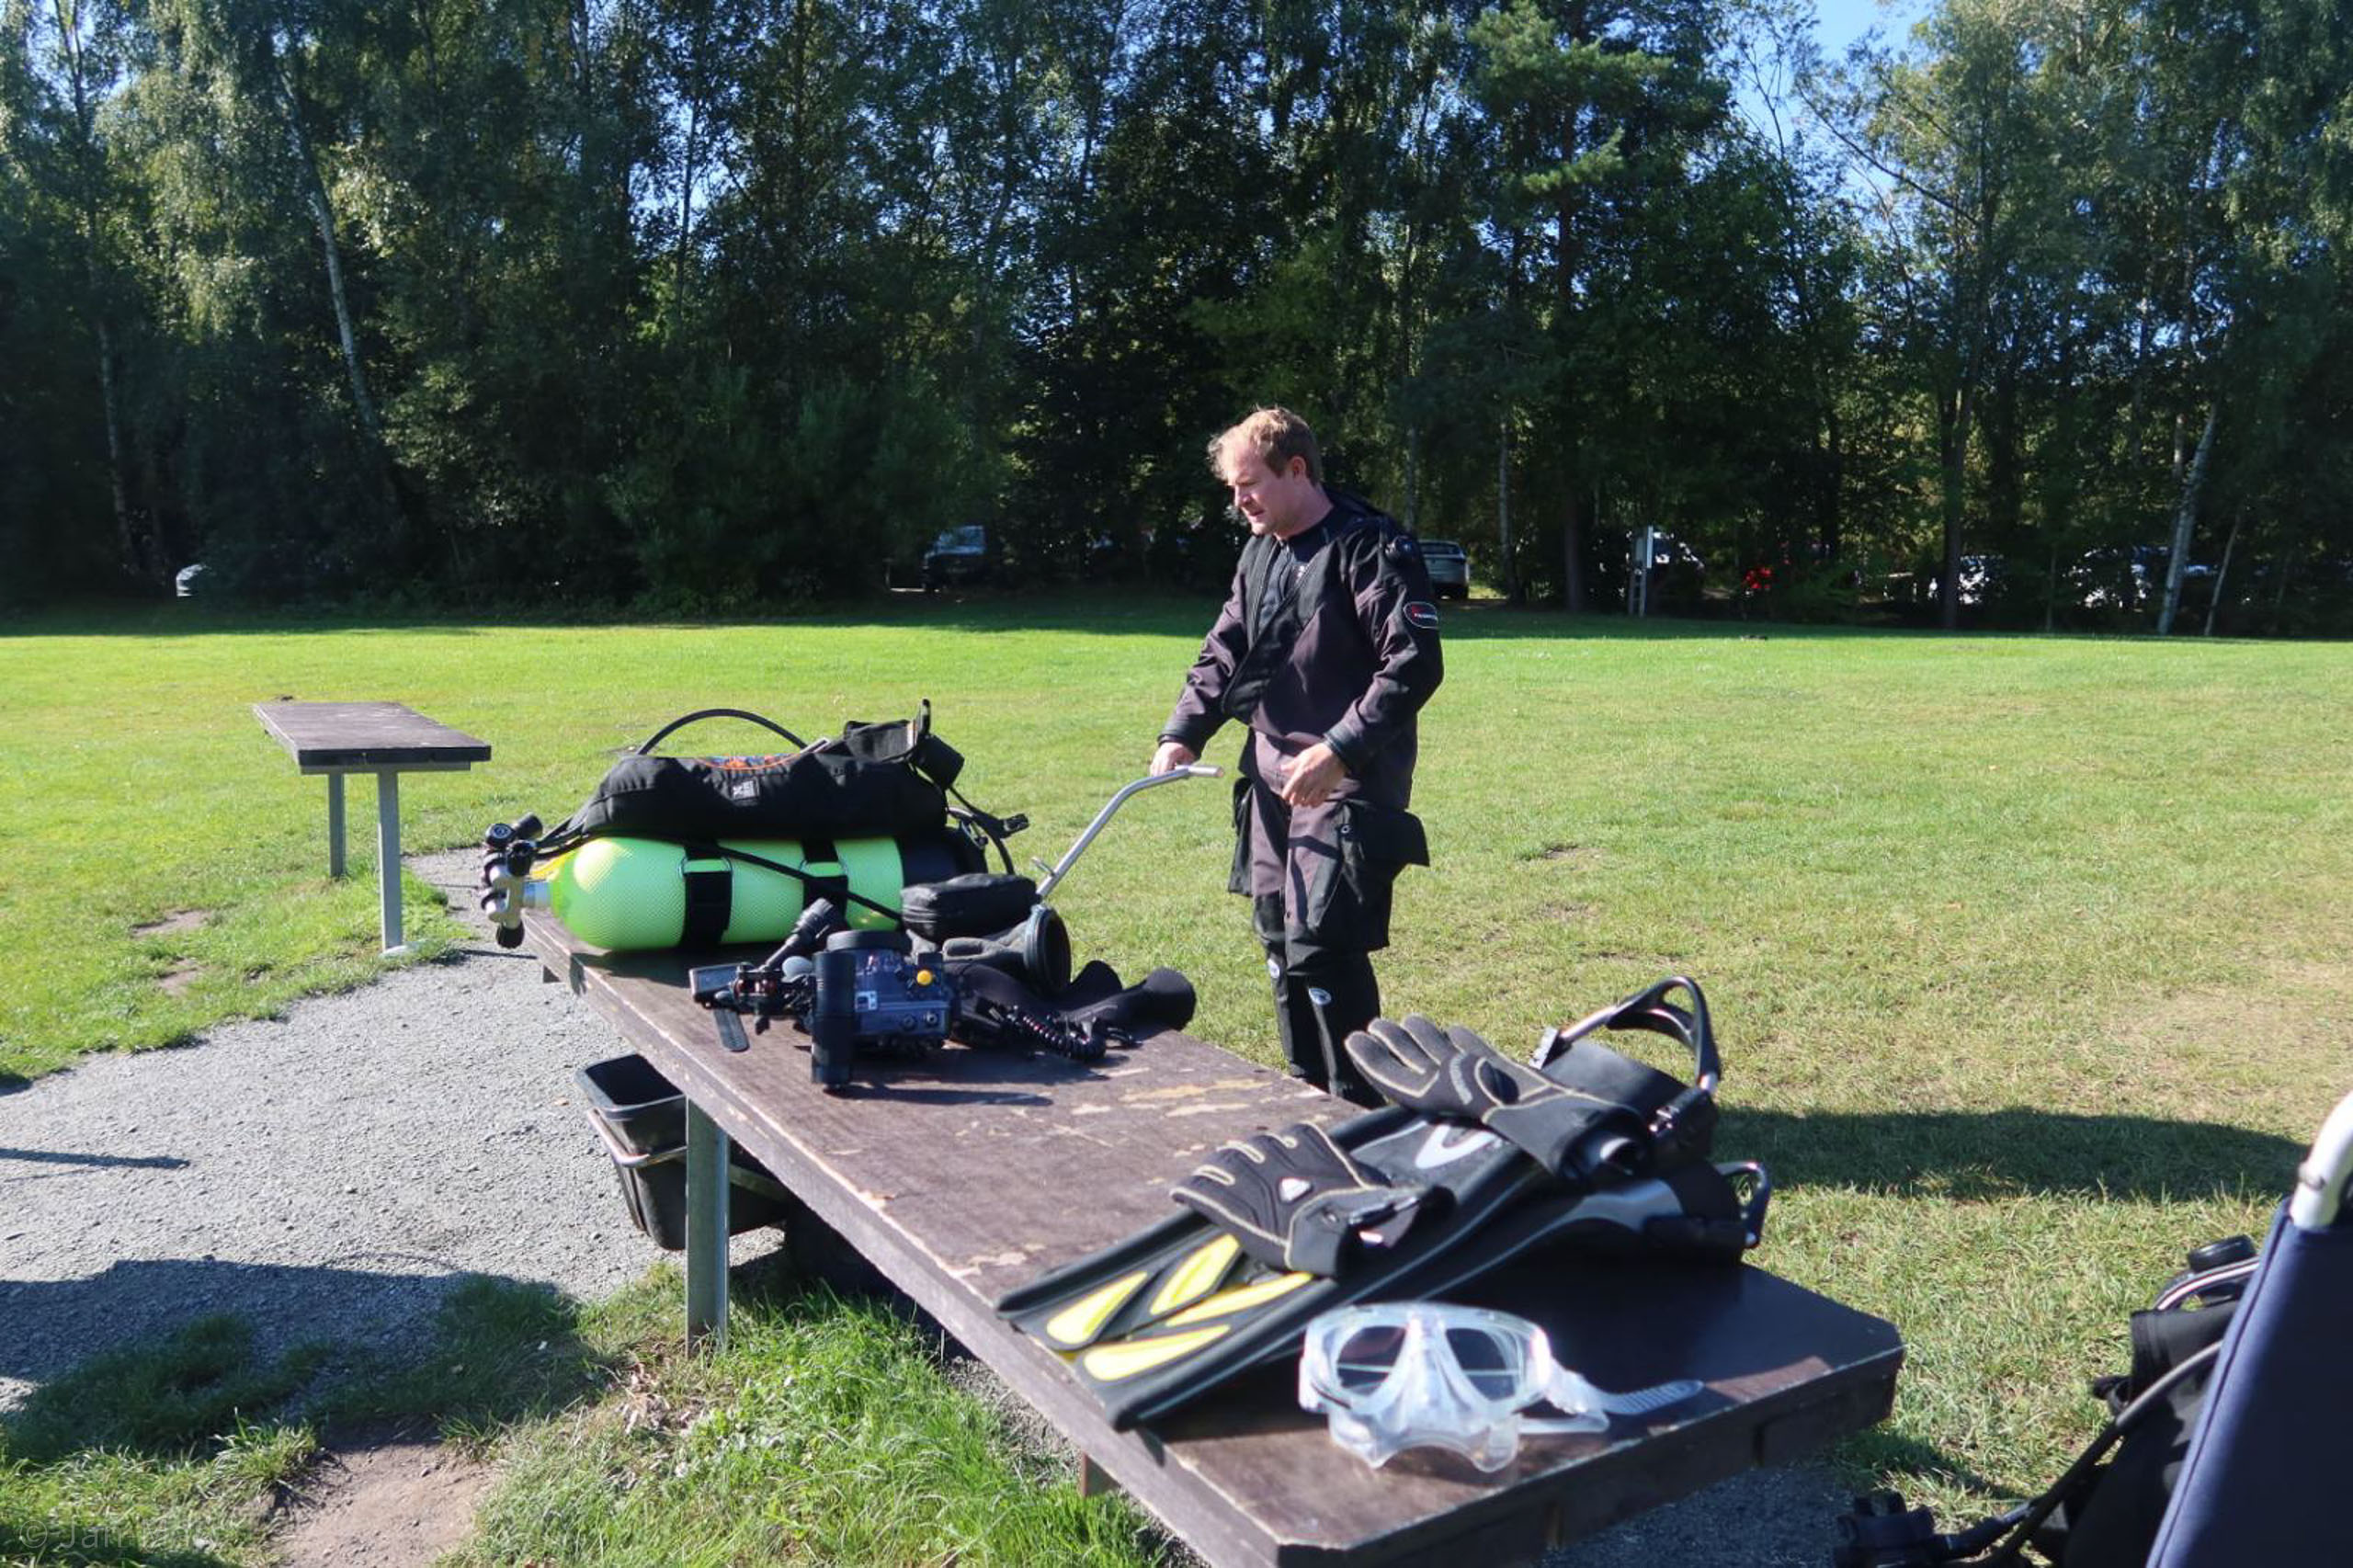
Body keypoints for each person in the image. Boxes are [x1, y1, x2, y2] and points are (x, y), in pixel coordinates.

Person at [1150, 408, 1444, 1104]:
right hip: (1270, 780)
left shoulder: (1368, 546)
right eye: (1231, 488)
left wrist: (1340, 751)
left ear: (1297, 470)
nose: (1238, 501)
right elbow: (1226, 648)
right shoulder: (1262, 550)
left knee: (1324, 945)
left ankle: (1358, 1108)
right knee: (1280, 940)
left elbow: (1413, 663)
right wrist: (1182, 730)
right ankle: (1304, 1093)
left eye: (1248, 484)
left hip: (1347, 779)